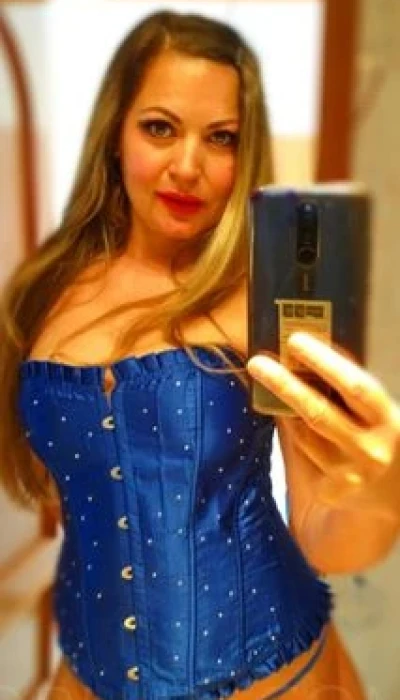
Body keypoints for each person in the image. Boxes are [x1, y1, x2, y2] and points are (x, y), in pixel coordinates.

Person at [0, 9, 399, 700]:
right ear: (115, 133)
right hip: (85, 675)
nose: (188, 167)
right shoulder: (43, 292)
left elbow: (326, 535)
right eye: (160, 128)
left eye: (221, 138)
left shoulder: (262, 299)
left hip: (272, 681)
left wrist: (380, 492)